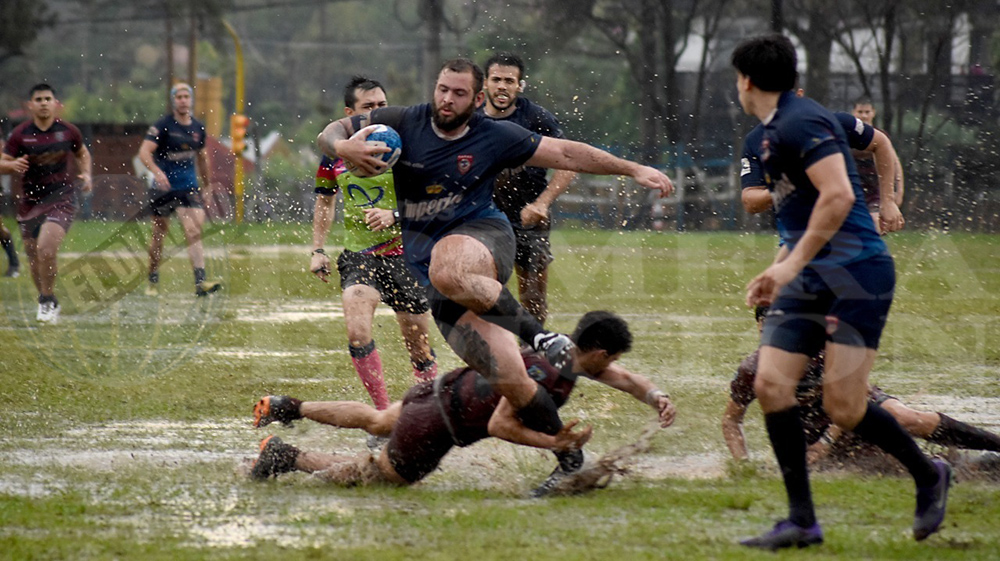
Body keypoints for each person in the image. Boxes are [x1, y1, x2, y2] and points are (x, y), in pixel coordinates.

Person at [316, 58, 673, 474]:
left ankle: (542, 338)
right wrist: (344, 147)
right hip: (442, 285)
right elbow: (331, 131)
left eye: (459, 93)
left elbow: (565, 152)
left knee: (447, 268)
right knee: (515, 383)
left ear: (478, 98)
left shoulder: (495, 135)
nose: (447, 100)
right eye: (442, 89)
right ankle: (570, 459)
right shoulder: (402, 123)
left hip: (484, 238)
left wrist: (634, 169)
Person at [733, 35, 950, 550]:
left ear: (745, 80)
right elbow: (801, 212)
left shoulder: (800, 122)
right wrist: (782, 266)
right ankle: (802, 520)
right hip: (808, 275)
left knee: (845, 407)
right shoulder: (771, 131)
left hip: (856, 274)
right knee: (771, 386)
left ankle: (929, 475)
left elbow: (839, 196)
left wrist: (790, 268)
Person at [247, 311, 676, 492]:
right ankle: (287, 456)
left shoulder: (563, 349)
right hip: (437, 427)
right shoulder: (544, 375)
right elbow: (500, 427)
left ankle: (289, 406)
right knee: (376, 476)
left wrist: (657, 397)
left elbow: (627, 380)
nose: (615, 367)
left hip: (440, 389)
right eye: (613, 358)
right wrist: (558, 446)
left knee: (378, 421)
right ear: (600, 353)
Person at [721, 306, 1000, 465]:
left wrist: (826, 442)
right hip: (820, 437)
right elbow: (731, 420)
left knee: (907, 419)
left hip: (857, 408)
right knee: (886, 468)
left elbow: (861, 393)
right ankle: (960, 465)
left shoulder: (824, 348)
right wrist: (743, 465)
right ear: (760, 329)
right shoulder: (753, 369)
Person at [310, 76, 438, 420]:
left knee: (418, 346)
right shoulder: (334, 155)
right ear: (350, 114)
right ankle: (382, 415)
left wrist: (394, 214)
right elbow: (325, 201)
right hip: (359, 258)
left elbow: (434, 200)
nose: (379, 113)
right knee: (357, 332)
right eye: (369, 108)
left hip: (407, 256)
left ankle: (429, 414)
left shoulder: (408, 147)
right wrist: (317, 250)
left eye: (383, 106)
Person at [479, 52, 576, 326]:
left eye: (509, 81)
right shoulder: (471, 119)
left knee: (533, 298)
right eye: (496, 79)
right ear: (485, 83)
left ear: (520, 86)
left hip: (530, 219)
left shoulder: (536, 119)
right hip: (482, 218)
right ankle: (490, 360)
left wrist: (543, 203)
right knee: (484, 293)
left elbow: (568, 163)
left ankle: (532, 358)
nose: (502, 86)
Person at [740, 91, 904, 236]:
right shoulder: (755, 140)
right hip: (796, 235)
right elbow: (750, 201)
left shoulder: (833, 123)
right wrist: (785, 187)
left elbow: (882, 143)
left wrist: (888, 201)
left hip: (846, 229)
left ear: (799, 95)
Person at [0, 84, 92, 323]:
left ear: (55, 103)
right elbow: (3, 162)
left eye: (47, 98)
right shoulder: (20, 135)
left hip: (60, 198)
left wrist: (87, 174)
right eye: (38, 99)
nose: (43, 102)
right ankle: (48, 297)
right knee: (33, 256)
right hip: (30, 202)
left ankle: (45, 302)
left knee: (46, 250)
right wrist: (11, 166)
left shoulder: (68, 131)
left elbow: (82, 152)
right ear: (30, 105)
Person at [137, 83, 221, 297]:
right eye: (179, 97)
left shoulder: (198, 128)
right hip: (163, 188)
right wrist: (157, 171)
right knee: (159, 234)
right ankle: (153, 278)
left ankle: (200, 283)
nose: (183, 100)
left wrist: (208, 185)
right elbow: (144, 152)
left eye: (186, 96)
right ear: (173, 101)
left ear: (191, 100)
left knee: (193, 231)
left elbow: (203, 158)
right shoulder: (163, 126)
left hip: (188, 187)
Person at [852, 98, 905, 231]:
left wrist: (899, 191)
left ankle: (876, 249)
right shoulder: (847, 135)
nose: (864, 115)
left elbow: (895, 164)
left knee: (876, 222)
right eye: (860, 111)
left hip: (876, 191)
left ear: (873, 113)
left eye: (867, 112)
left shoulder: (880, 137)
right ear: (854, 112)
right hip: (853, 190)